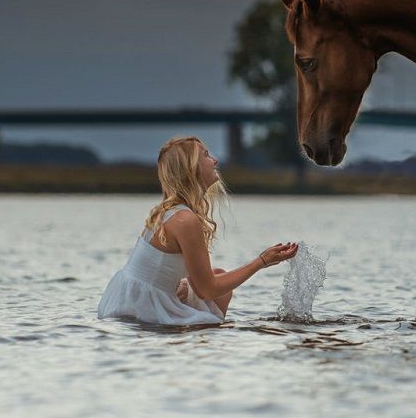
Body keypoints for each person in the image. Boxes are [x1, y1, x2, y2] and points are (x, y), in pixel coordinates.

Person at [97, 136, 298, 325]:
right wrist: (261, 261)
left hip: (127, 298)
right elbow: (207, 290)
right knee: (215, 295)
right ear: (191, 168)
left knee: (219, 276)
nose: (215, 160)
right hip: (142, 307)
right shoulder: (185, 219)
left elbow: (169, 272)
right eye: (207, 155)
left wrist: (183, 283)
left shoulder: (171, 212)